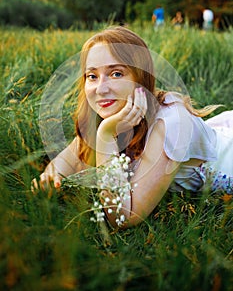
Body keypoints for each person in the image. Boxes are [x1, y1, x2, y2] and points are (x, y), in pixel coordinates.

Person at [32, 26, 233, 229]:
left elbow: (123, 217)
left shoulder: (170, 125)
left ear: (141, 77)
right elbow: (66, 161)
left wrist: (106, 135)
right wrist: (51, 177)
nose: (101, 89)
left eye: (116, 73)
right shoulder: (111, 111)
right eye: (92, 76)